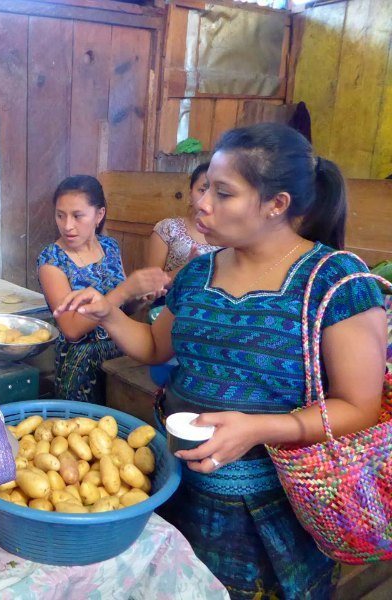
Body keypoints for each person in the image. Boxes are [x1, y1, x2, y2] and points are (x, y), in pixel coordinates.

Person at [55, 124, 386, 598]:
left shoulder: (337, 283)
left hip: (276, 516)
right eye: (206, 185)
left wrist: (258, 429)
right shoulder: (195, 273)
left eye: (223, 192)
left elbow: (359, 407)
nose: (202, 202)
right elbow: (154, 348)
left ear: (278, 204)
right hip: (179, 493)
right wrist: (108, 313)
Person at [37, 175, 169, 404]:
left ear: (99, 215)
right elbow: (71, 328)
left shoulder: (109, 246)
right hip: (80, 366)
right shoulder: (52, 261)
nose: (67, 225)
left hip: (120, 356)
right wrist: (126, 290)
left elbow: (122, 310)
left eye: (78, 216)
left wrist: (141, 298)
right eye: (60, 215)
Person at [145, 162, 220, 282]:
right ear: (190, 195)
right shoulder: (168, 229)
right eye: (202, 190)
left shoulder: (230, 238)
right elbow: (149, 285)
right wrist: (187, 268)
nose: (208, 199)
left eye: (218, 193)